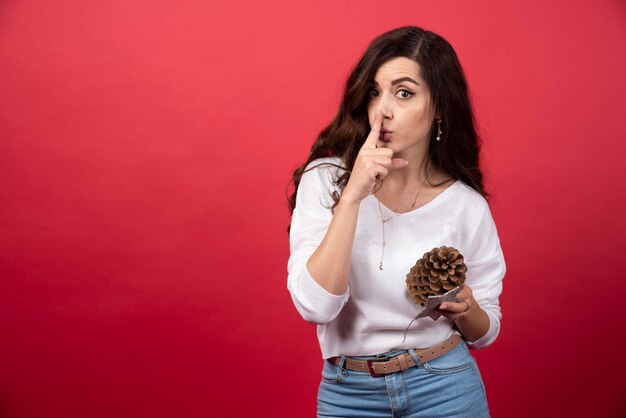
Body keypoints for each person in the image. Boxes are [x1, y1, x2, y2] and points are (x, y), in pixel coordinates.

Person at [286, 26, 505, 418]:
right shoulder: (326, 179)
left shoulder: (466, 206)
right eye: (374, 91)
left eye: (404, 93)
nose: (381, 110)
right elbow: (315, 307)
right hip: (348, 393)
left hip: (445, 386)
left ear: (439, 106)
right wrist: (353, 195)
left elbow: (486, 331)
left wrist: (468, 309)